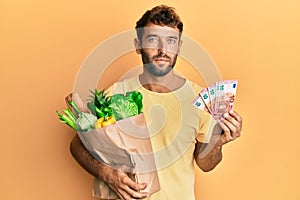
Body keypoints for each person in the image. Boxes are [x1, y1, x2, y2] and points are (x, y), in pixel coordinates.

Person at [70, 5, 243, 200]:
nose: (163, 50)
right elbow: (77, 145)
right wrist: (106, 174)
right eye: (153, 40)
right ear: (138, 44)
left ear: (178, 46)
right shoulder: (116, 94)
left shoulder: (199, 100)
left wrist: (219, 142)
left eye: (171, 41)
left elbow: (205, 164)